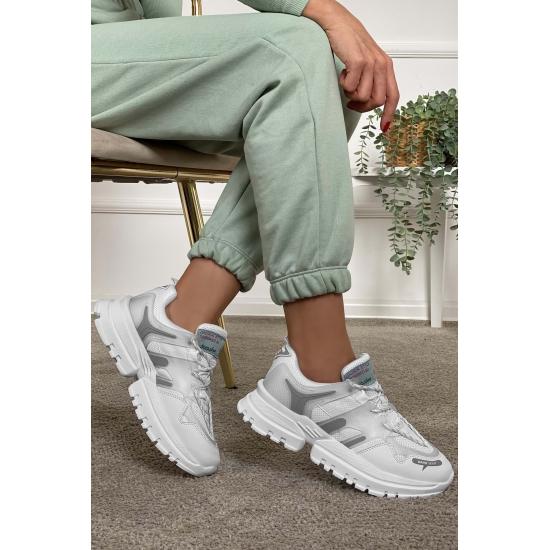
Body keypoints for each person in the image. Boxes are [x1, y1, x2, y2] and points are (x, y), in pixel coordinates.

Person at [92, 0, 454, 497]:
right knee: (293, 48)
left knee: (330, 76)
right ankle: (319, 371)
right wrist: (329, 12)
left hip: (128, 59)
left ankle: (178, 318)